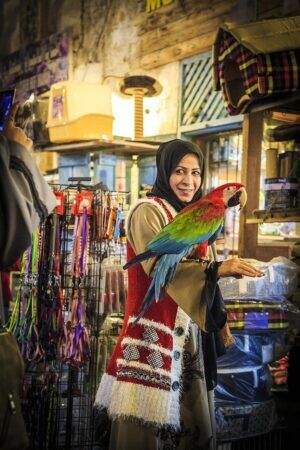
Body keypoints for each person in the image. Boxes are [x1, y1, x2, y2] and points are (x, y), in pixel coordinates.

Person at [94, 139, 263, 450]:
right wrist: (219, 268)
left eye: (196, 172)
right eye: (179, 171)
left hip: (190, 341)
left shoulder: (201, 212)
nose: (189, 181)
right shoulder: (147, 211)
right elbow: (158, 266)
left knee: (191, 427)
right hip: (152, 336)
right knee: (145, 433)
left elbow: (205, 268)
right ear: (164, 172)